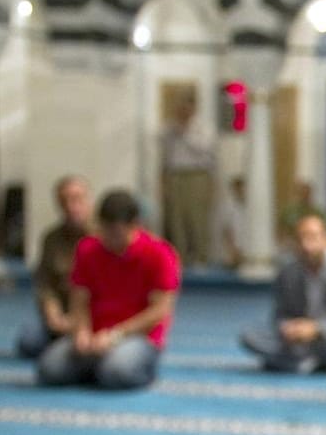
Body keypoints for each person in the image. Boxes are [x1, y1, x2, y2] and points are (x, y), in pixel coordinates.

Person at [36, 190, 180, 391]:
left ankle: (130, 367)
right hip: (95, 337)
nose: (112, 241)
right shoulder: (88, 249)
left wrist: (115, 335)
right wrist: (81, 332)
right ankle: (98, 368)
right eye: (106, 233)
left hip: (137, 337)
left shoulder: (159, 254)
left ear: (135, 226)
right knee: (49, 370)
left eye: (117, 234)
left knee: (116, 373)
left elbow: (160, 310)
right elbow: (79, 300)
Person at [240, 213, 326, 374]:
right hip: (298, 342)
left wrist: (318, 329)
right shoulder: (288, 272)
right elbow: (279, 317)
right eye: (301, 239)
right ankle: (320, 363)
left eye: (313, 237)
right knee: (250, 335)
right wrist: (289, 328)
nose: (307, 245)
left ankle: (298, 362)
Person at [17, 174, 93, 359]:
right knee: (28, 341)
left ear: (89, 201)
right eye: (65, 201)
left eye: (77, 200)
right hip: (63, 317)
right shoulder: (52, 239)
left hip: (95, 317)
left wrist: (80, 321)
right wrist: (53, 314)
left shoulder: (103, 239)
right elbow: (45, 285)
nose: (71, 207)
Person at [159, 93, 216, 267]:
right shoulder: (169, 128)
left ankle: (201, 258)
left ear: (193, 108)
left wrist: (185, 131)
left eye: (186, 107)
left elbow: (204, 150)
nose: (182, 111)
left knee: (197, 217)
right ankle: (178, 258)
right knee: (176, 219)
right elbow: (165, 154)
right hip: (175, 175)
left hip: (196, 175)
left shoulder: (203, 128)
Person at [216, 175, 249, 269]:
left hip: (247, 252)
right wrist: (233, 252)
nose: (241, 191)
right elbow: (226, 231)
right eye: (238, 189)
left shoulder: (251, 208)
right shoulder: (227, 207)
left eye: (243, 189)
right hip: (232, 253)